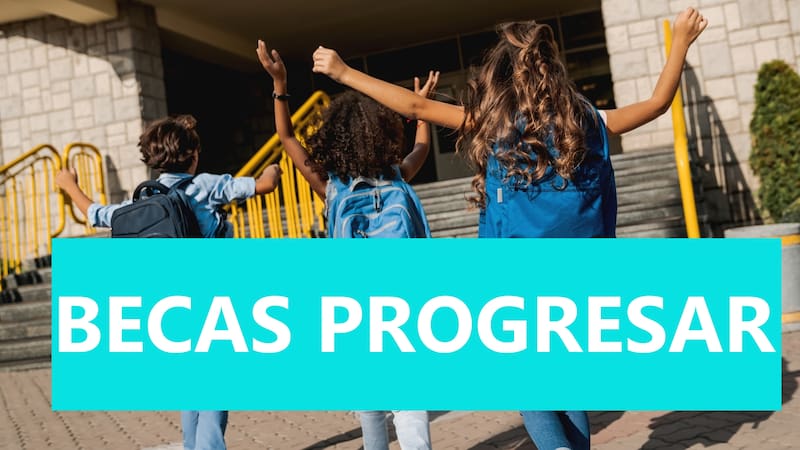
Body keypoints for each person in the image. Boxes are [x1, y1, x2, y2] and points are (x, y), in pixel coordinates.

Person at [310, 7, 707, 450]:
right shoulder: (588, 120)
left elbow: (415, 106)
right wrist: (680, 42)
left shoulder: (496, 124)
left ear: (503, 76)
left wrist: (344, 72)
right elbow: (657, 103)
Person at [55, 114, 283, 450]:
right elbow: (264, 185)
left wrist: (69, 184)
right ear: (193, 154)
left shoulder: (143, 202)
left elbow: (96, 215)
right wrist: (274, 169)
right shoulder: (205, 186)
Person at [256, 40, 436, 450]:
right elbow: (422, 148)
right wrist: (420, 110)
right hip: (403, 299)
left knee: (369, 400)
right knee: (410, 397)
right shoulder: (397, 177)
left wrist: (280, 83)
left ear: (333, 140)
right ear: (383, 136)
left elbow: (286, 137)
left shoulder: (332, 187)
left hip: (353, 305)